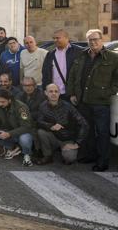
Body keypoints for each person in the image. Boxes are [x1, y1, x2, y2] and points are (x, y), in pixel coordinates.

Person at [67, 29, 118, 171]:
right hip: (83, 101)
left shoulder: (112, 58)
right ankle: (91, 155)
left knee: (102, 132)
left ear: (102, 40)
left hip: (101, 102)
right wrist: (71, 93)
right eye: (90, 40)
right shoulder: (81, 56)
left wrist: (109, 91)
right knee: (87, 130)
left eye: (95, 39)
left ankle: (103, 161)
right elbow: (72, 76)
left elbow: (116, 79)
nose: (93, 42)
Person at [35, 84, 89, 165]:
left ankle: (64, 151)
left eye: (56, 91)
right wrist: (51, 126)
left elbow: (84, 124)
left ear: (59, 93)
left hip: (67, 138)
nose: (54, 94)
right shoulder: (43, 106)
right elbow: (39, 121)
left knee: (69, 158)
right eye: (51, 91)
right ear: (46, 93)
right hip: (53, 137)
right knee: (41, 132)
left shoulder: (68, 106)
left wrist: (77, 144)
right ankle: (48, 156)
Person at [0, 89, 34, 167]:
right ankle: (13, 147)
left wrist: (9, 134)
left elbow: (27, 126)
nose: (0, 104)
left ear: (9, 100)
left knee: (24, 139)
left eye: (3, 102)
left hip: (23, 132)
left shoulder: (21, 107)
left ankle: (27, 155)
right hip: (9, 131)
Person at [41, 29, 82, 99]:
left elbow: (80, 73)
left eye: (58, 38)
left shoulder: (78, 52)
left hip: (71, 94)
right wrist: (46, 90)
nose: (55, 40)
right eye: (54, 38)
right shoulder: (50, 54)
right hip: (54, 94)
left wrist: (75, 93)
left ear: (67, 38)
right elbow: (45, 73)